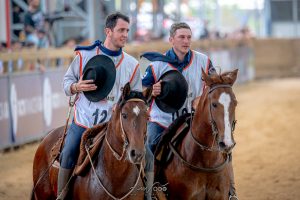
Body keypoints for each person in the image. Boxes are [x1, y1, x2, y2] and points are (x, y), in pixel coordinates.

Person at [142, 22, 237, 199]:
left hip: (192, 118)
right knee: (150, 146)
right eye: (181, 37)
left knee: (222, 144)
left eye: (189, 37)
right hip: (162, 119)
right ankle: (149, 192)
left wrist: (202, 99)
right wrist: (151, 91)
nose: (186, 41)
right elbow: (140, 93)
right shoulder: (156, 66)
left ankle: (231, 190)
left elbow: (214, 86)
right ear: (171, 40)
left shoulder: (204, 61)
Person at [57, 12, 142, 200]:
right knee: (69, 151)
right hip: (85, 121)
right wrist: (75, 86)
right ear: (108, 31)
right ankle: (61, 196)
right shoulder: (84, 56)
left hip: (118, 128)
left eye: (127, 31)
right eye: (121, 30)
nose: (125, 35)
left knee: (147, 155)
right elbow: (66, 82)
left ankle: (148, 194)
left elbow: (137, 97)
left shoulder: (132, 64)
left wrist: (125, 106)